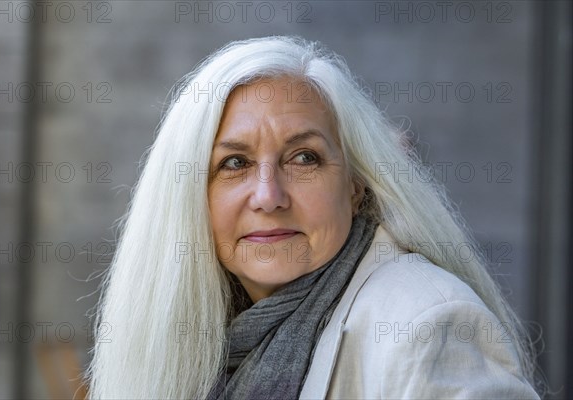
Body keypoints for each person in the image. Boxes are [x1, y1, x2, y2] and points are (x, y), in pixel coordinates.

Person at [86, 36, 541, 399]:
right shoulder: (197, 330)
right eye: (234, 164)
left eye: (304, 158)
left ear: (355, 184)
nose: (268, 196)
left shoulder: (426, 326)